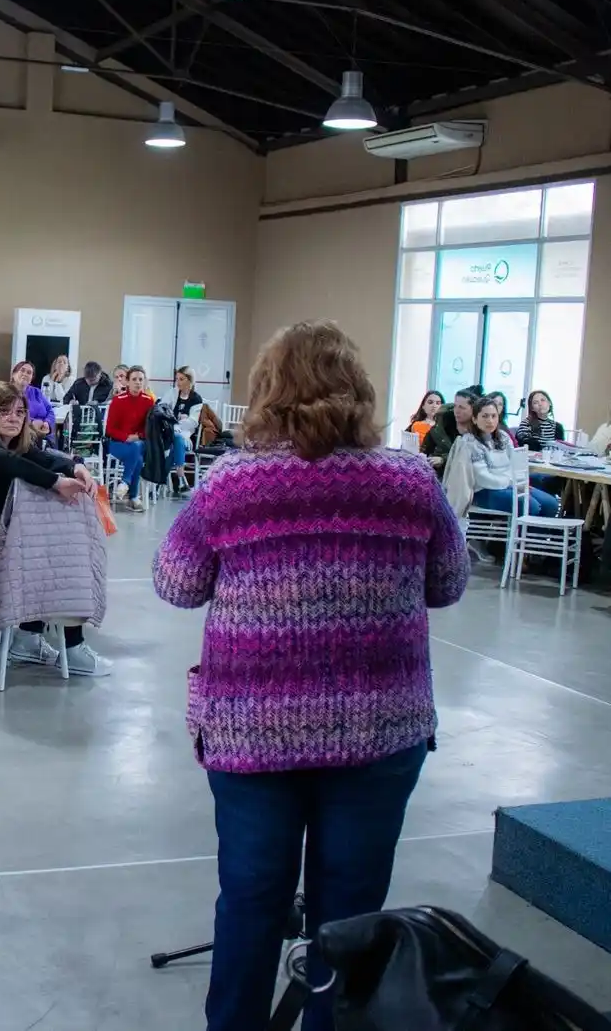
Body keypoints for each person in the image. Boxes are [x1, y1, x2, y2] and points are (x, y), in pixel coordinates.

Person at [153, 321, 469, 1031]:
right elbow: (448, 583)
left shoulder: (232, 483)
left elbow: (175, 583)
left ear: (269, 391)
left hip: (251, 735)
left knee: (250, 901)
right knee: (351, 919)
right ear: (356, 391)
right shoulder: (409, 480)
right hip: (380, 733)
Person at [0, 383, 112, 676]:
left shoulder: (11, 445)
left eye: (20, 412)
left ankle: (29, 638)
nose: (13, 418)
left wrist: (76, 467)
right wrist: (57, 483)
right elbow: (12, 464)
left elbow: (42, 458)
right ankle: (68, 647)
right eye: (4, 412)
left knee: (52, 556)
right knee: (57, 565)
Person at [107, 366, 190, 507]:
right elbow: (110, 429)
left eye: (141, 379)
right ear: (127, 382)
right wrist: (126, 437)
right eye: (134, 379)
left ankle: (126, 484)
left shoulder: (148, 401)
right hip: (118, 443)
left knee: (137, 448)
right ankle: (133, 496)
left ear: (144, 382)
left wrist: (138, 436)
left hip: (140, 443)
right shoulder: (118, 401)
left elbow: (152, 429)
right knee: (137, 457)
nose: (138, 382)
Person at [464, 396, 559, 517]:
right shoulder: (469, 442)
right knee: (531, 506)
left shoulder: (503, 436)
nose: (490, 421)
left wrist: (517, 484)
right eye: (485, 416)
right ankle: (522, 535)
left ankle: (534, 535)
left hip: (509, 485)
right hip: (484, 490)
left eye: (494, 416)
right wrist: (509, 483)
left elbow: (515, 464)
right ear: (474, 419)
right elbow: (483, 478)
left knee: (551, 504)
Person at [420, 386, 480, 476]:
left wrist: (443, 460)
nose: (457, 411)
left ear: (473, 410)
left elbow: (473, 459)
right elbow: (424, 452)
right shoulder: (440, 427)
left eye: (462, 407)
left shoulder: (479, 431)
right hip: (437, 477)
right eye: (455, 406)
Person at [163, 365, 204, 489]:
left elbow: (193, 422)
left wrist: (176, 422)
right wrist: (178, 420)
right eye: (177, 379)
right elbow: (162, 409)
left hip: (186, 438)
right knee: (175, 440)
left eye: (181, 379)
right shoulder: (173, 393)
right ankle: (180, 478)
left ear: (189, 381)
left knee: (178, 439)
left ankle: (162, 478)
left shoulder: (196, 399)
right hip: (169, 433)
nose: (178, 382)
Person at [10, 360, 56, 445]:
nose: (25, 374)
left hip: (45, 435)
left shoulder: (37, 392)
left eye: (29, 372)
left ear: (31, 378)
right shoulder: (7, 392)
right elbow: (13, 415)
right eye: (22, 370)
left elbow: (50, 410)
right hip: (23, 436)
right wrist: (32, 423)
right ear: (13, 374)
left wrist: (47, 423)